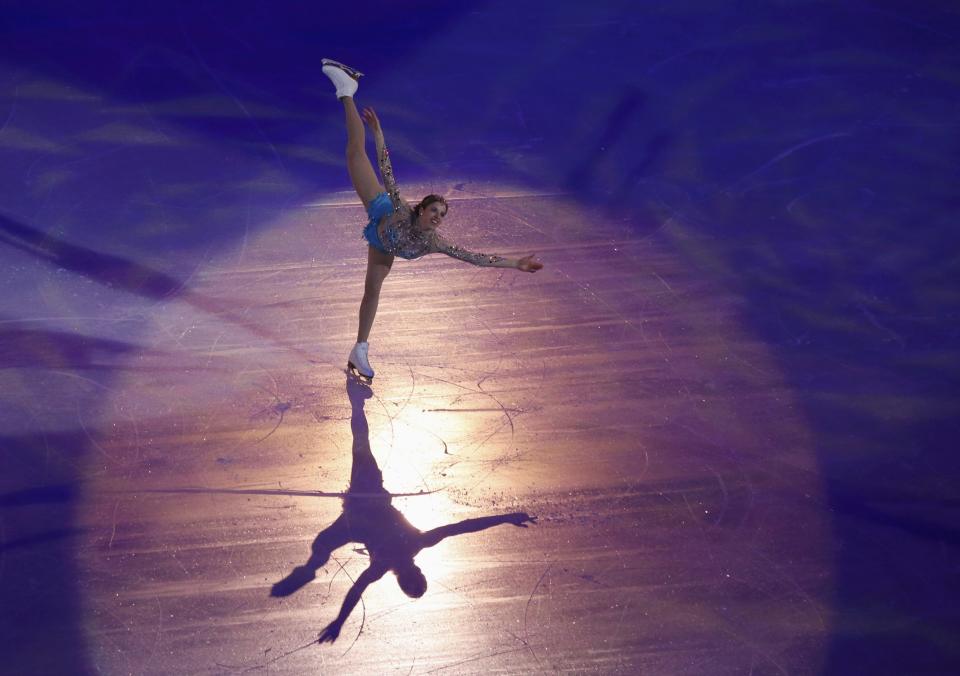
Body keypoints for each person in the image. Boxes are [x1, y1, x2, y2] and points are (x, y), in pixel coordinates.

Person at [270, 374, 537, 644]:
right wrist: (339, 622)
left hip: (366, 499)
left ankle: (357, 400)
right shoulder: (385, 563)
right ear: (402, 580)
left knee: (361, 443)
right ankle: (311, 566)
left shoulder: (416, 543)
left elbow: (461, 527)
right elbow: (356, 589)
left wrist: (507, 517)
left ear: (418, 572)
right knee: (322, 543)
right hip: (356, 514)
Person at [320, 59, 544, 380]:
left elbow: (476, 259)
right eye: (434, 211)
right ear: (421, 210)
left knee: (372, 292)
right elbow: (387, 170)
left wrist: (516, 264)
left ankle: (360, 348)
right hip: (380, 213)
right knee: (356, 152)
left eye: (442, 215)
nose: (438, 218)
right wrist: (379, 133)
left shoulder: (434, 242)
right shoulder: (399, 208)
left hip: (386, 247)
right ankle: (347, 89)